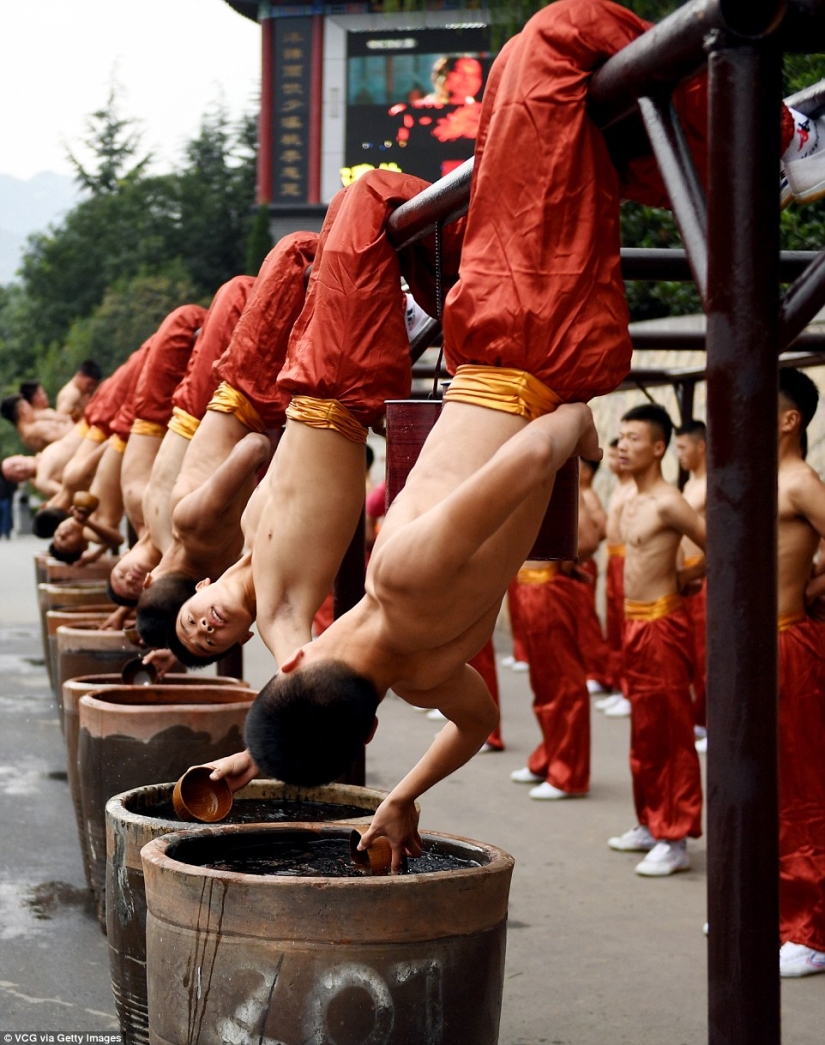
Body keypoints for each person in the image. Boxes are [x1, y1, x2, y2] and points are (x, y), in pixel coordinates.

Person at [608, 403, 705, 877]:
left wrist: (688, 577)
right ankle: (650, 822)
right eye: (621, 436)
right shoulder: (630, 499)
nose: (623, 445)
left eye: (634, 438)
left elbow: (718, 544)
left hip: (663, 624)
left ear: (659, 447)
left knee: (670, 730)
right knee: (644, 731)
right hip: (632, 624)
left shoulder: (669, 500)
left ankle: (676, 835)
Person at [773, 367, 825, 977]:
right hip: (751, 648)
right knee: (761, 784)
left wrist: (814, 583)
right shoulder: (762, 478)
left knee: (804, 792)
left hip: (789, 642)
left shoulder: (799, 481)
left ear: (790, 420)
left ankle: (811, 929)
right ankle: (780, 909)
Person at [674, 419, 708, 747]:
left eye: (683, 447)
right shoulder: (689, 485)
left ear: (701, 446)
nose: (678, 454)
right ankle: (697, 717)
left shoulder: (713, 485)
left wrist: (699, 571)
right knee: (690, 652)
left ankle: (708, 720)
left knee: (706, 652)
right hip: (685, 579)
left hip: (703, 576)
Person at [597, 437, 635, 716]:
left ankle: (628, 686)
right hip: (614, 558)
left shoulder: (634, 487)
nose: (614, 459)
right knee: (614, 624)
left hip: (628, 560)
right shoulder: (620, 486)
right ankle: (617, 681)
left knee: (626, 626)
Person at [0, 393, 75, 452]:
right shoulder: (37, 429)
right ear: (22, 410)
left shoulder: (25, 437)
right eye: (28, 405)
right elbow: (67, 439)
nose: (31, 408)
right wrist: (70, 420)